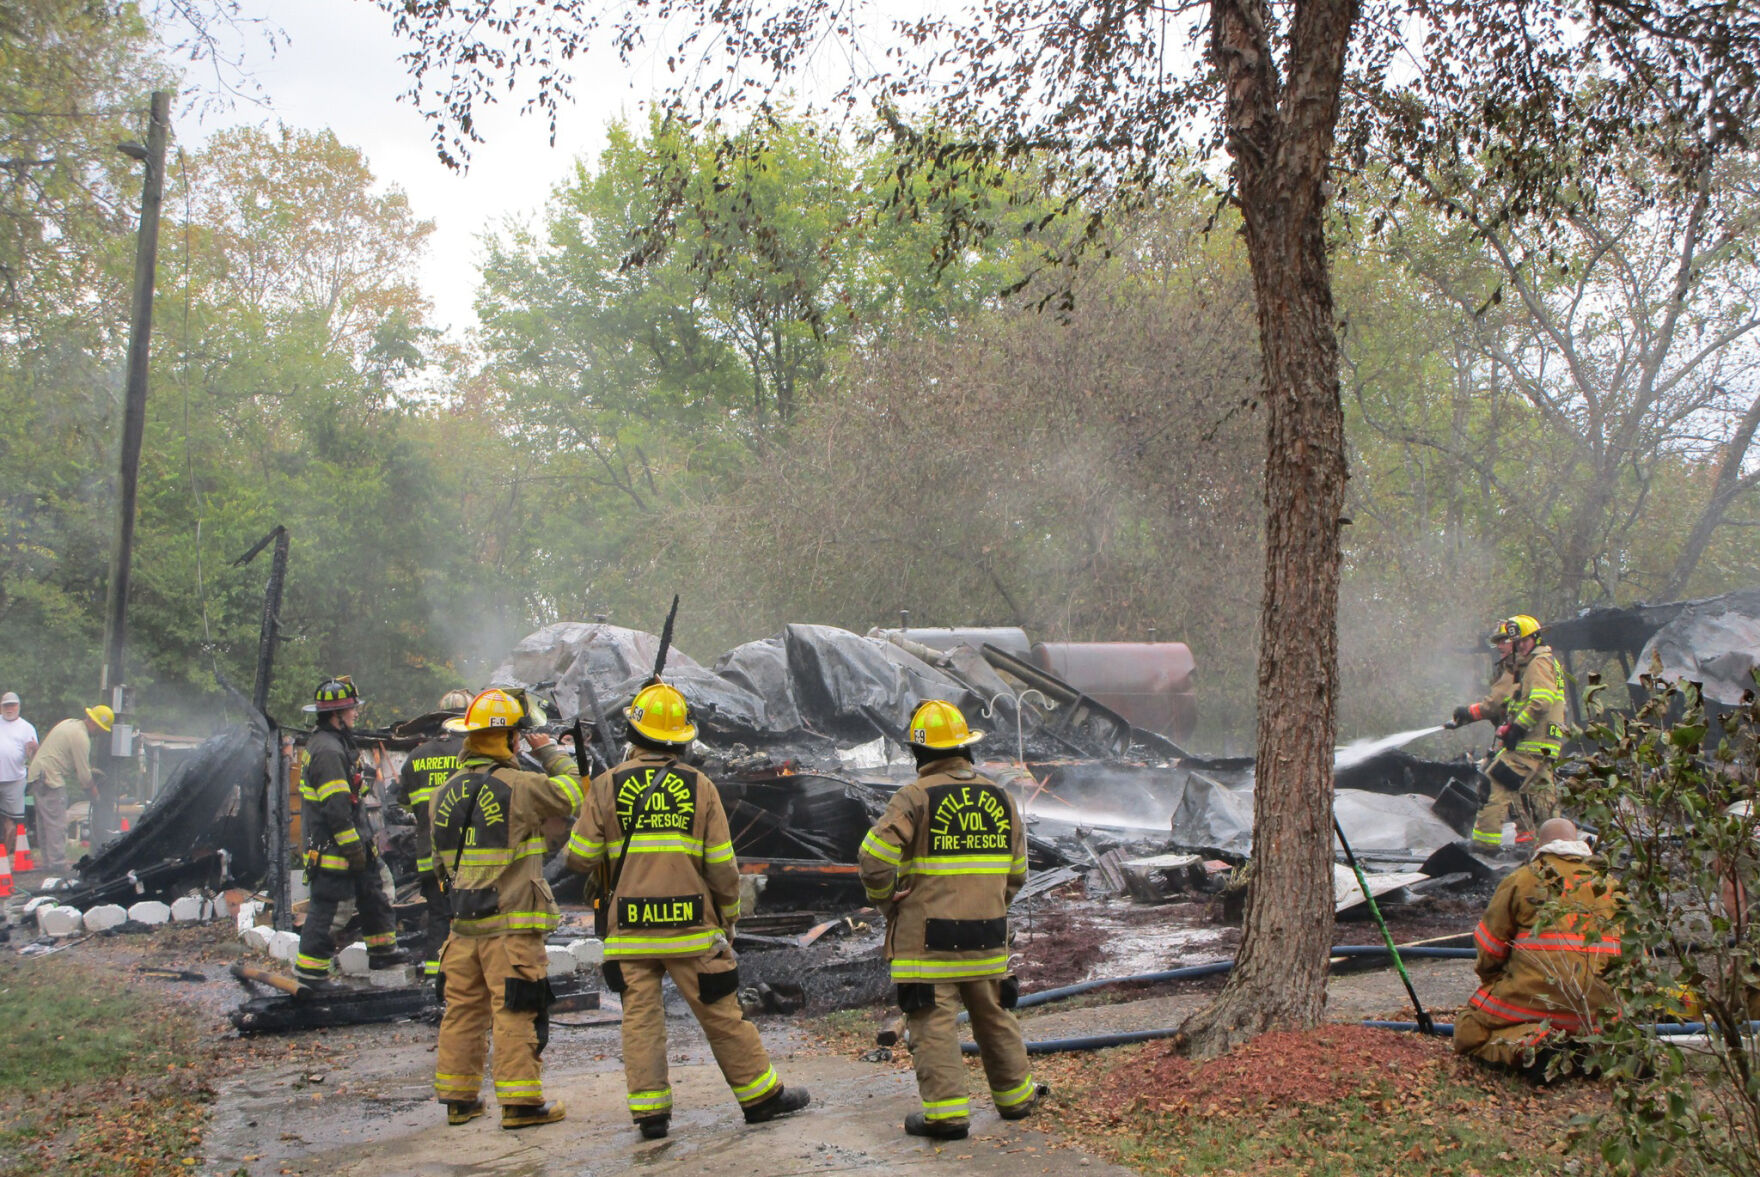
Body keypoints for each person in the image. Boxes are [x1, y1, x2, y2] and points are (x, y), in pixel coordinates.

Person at [565, 680, 809, 1140]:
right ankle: (760, 1098)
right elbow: (721, 866)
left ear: (634, 734)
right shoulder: (700, 787)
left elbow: (578, 858)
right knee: (721, 1013)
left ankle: (651, 1115)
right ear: (680, 739)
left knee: (640, 1019)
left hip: (629, 933)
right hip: (692, 930)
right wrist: (730, 916)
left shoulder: (603, 787)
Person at [858, 698, 1045, 1141]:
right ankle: (1017, 1098)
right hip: (987, 934)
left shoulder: (914, 797)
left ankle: (947, 1116)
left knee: (932, 1021)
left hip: (928, 941)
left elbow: (873, 860)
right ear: (966, 748)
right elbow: (1017, 872)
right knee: (993, 1014)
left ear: (919, 753)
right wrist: (991, 904)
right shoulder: (1000, 796)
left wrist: (888, 900)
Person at [431, 686, 583, 1129]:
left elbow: (441, 862)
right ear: (512, 740)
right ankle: (519, 1104)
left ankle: (459, 1100)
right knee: (516, 1008)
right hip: (510, 927)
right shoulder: (523, 786)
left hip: (462, 928)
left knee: (462, 1010)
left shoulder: (443, 793)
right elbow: (574, 793)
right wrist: (551, 750)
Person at [1453, 817, 1622, 1072]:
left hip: (1533, 999)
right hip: (1602, 1006)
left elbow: (1490, 948)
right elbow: (1634, 955)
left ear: (1539, 846)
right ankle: (1606, 1051)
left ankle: (1529, 1048)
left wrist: (1494, 980)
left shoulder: (1522, 880)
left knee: (1469, 1029)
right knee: (1602, 1028)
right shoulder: (1611, 885)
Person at [294, 676, 406, 989]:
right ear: (336, 715)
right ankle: (312, 975)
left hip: (356, 840)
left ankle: (383, 951)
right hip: (334, 848)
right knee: (331, 910)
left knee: (376, 894)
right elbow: (335, 809)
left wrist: (362, 846)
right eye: (351, 709)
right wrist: (352, 849)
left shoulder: (338, 743)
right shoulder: (328, 751)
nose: (356, 713)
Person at [1450, 614, 1567, 856]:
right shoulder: (1539, 662)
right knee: (1541, 796)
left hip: (1532, 741)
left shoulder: (1537, 663)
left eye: (1522, 641)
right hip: (1543, 743)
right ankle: (1551, 846)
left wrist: (1517, 728)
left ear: (1535, 638)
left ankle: (1483, 847)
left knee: (1493, 782)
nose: (1518, 646)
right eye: (1517, 642)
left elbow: (1541, 701)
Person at [396, 689, 472, 980]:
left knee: (439, 916)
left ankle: (434, 976)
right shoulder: (470, 752)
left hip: (429, 854)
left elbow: (403, 800)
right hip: (465, 855)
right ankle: (464, 979)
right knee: (470, 917)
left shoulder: (416, 755)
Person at [25, 704, 110, 874]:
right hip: (50, 778)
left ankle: (49, 863)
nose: (100, 733)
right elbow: (84, 777)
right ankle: (58, 865)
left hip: (38, 775)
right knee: (56, 823)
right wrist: (96, 797)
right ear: (94, 723)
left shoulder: (70, 724)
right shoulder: (81, 737)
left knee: (45, 823)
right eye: (101, 729)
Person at [0, 692, 39, 860]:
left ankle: (4, 858)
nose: (9, 708)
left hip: (15, 779)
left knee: (12, 820)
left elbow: (34, 757)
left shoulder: (27, 727)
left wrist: (34, 749)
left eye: (12, 705)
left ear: (18, 706)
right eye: (6, 705)